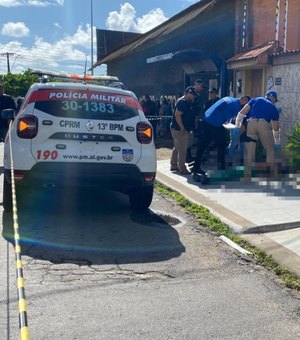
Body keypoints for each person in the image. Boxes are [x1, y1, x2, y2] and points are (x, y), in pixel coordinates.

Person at [191, 95, 251, 175]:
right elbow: (239, 120)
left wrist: (224, 119)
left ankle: (196, 166)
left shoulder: (230, 98)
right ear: (243, 101)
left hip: (207, 119)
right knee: (222, 145)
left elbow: (222, 109)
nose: (245, 107)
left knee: (203, 144)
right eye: (246, 105)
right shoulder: (237, 106)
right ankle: (221, 168)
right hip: (215, 123)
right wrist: (244, 131)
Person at [235, 90, 280, 181]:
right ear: (273, 98)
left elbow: (242, 112)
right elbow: (275, 125)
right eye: (275, 100)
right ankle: (270, 174)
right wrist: (276, 139)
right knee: (269, 148)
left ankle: (247, 175)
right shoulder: (273, 107)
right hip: (263, 124)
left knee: (250, 150)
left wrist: (237, 124)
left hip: (251, 123)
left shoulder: (257, 99)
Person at [170, 86, 197, 174]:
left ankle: (174, 165)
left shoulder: (183, 101)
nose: (194, 96)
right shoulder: (183, 102)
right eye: (192, 94)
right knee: (182, 149)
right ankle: (182, 168)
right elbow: (178, 115)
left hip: (176, 128)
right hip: (179, 129)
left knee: (177, 148)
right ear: (187, 93)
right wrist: (182, 127)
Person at [186, 79, 207, 163]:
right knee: (187, 140)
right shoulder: (190, 91)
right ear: (197, 84)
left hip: (192, 119)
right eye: (201, 86)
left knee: (190, 139)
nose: (201, 88)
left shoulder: (198, 95)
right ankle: (186, 157)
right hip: (187, 119)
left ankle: (188, 156)